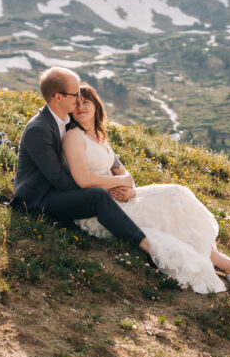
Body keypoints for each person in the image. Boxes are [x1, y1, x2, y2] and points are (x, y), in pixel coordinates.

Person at [62, 84, 230, 293]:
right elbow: (82, 179)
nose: (81, 107)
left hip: (120, 196)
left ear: (96, 106)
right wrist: (122, 183)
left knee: (176, 193)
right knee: (165, 219)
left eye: (86, 102)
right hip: (101, 208)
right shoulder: (73, 136)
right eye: (77, 103)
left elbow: (125, 174)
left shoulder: (99, 136)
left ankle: (225, 263)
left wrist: (131, 189)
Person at [10, 67, 152, 256]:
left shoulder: (66, 121)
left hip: (56, 189)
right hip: (39, 197)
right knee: (98, 197)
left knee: (103, 194)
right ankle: (143, 244)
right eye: (74, 94)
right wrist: (105, 187)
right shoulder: (39, 129)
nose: (78, 99)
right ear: (58, 97)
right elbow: (60, 180)